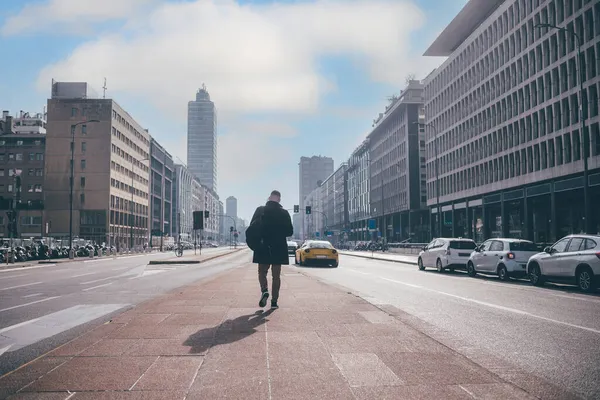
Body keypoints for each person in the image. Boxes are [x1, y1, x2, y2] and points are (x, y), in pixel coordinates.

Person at [250, 190, 294, 309]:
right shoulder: (284, 213)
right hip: (278, 248)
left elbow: (252, 228)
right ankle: (274, 302)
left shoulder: (260, 210)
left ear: (269, 198)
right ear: (279, 200)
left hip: (263, 246)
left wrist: (254, 244)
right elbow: (290, 231)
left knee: (262, 273)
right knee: (276, 276)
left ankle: (264, 290)